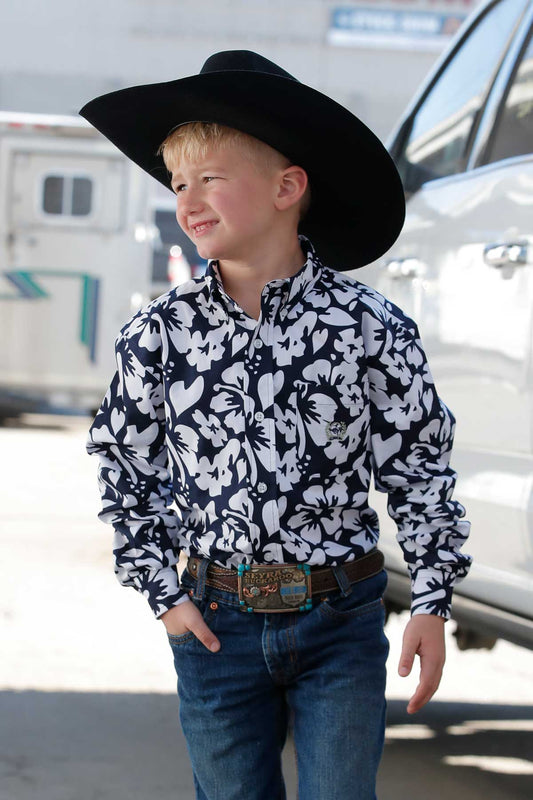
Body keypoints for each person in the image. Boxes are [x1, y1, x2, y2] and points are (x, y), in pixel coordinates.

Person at [81, 50, 471, 800]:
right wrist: (164, 592)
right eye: (178, 183)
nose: (188, 199)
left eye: (211, 178)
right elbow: (124, 470)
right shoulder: (158, 336)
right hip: (214, 624)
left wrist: (430, 598)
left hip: (341, 619)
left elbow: (418, 466)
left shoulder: (368, 326)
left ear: (287, 187)